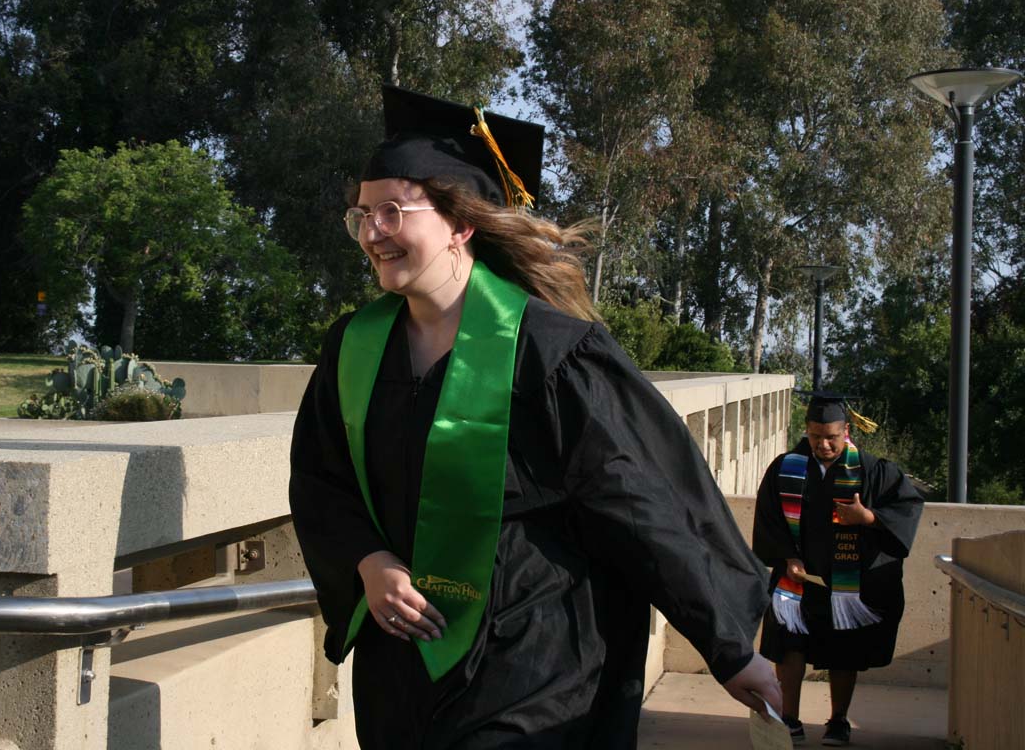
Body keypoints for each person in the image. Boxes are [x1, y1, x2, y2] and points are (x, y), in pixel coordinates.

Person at [289, 84, 781, 750]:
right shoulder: (353, 348)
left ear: (461, 224)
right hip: (402, 663)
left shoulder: (552, 352)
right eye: (362, 215)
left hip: (533, 655)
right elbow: (321, 481)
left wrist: (729, 648)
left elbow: (641, 500)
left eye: (393, 211)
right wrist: (370, 561)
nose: (373, 233)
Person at [752, 392, 924, 746]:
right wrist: (787, 556)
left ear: (846, 430)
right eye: (816, 436)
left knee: (844, 650)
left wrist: (869, 517)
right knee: (790, 646)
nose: (824, 444)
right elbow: (769, 518)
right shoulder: (786, 468)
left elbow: (907, 506)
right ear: (807, 430)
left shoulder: (873, 470)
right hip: (797, 578)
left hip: (847, 584)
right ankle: (790, 719)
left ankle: (839, 720)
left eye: (831, 436)